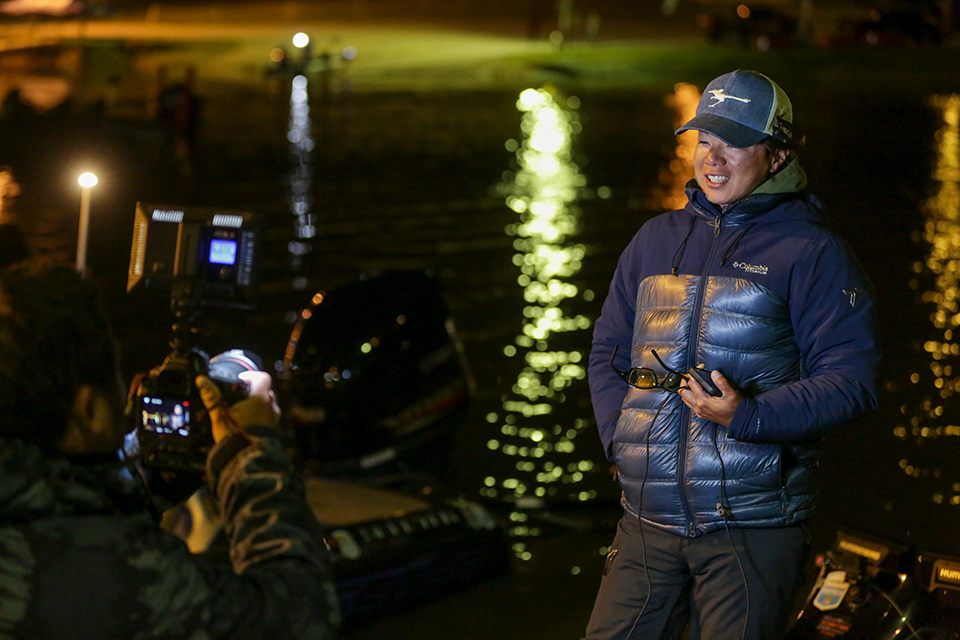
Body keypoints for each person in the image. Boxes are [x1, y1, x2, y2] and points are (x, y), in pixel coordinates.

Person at [584, 69, 880, 639]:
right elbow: (608, 353)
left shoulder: (814, 252)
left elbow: (852, 381)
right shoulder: (654, 240)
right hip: (647, 523)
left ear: (777, 155)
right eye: (704, 141)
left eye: (735, 144)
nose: (712, 159)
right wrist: (620, 440)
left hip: (753, 527)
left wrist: (749, 415)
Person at [0, 259, 339, 639]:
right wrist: (249, 457)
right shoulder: (113, 573)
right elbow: (298, 615)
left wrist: (147, 465)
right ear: (90, 410)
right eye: (115, 377)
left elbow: (55, 496)